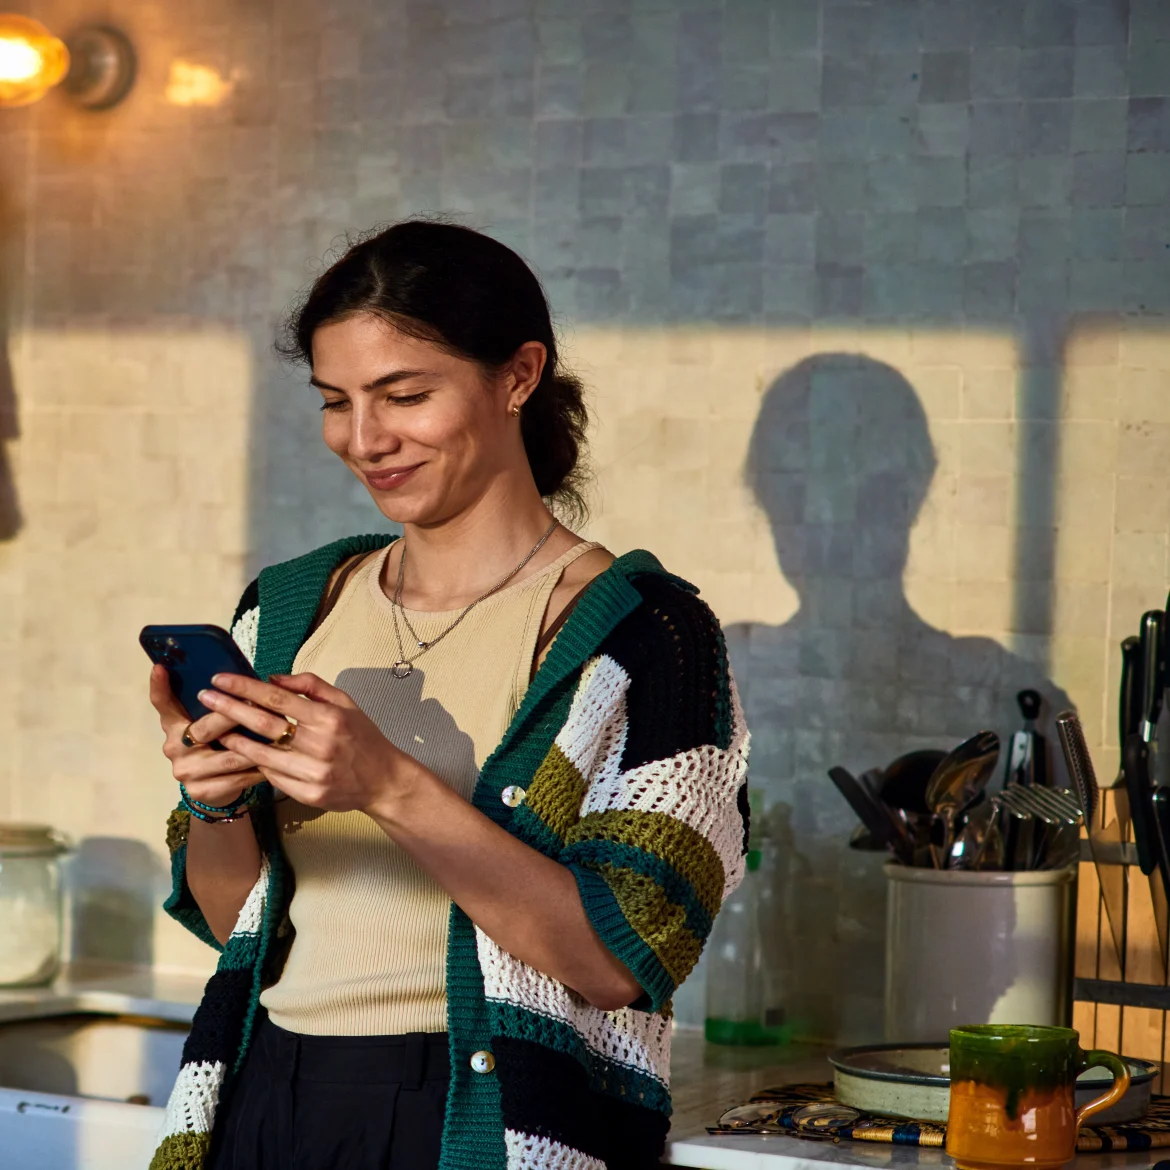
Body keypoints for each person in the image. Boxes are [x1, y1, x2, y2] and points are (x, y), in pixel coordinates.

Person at [146, 220, 750, 1170]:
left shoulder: (644, 635)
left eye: (406, 395)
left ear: (518, 377)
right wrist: (213, 802)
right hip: (266, 1096)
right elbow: (235, 924)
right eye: (335, 402)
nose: (365, 439)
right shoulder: (292, 608)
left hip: (481, 1118)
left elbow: (620, 957)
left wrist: (389, 785)